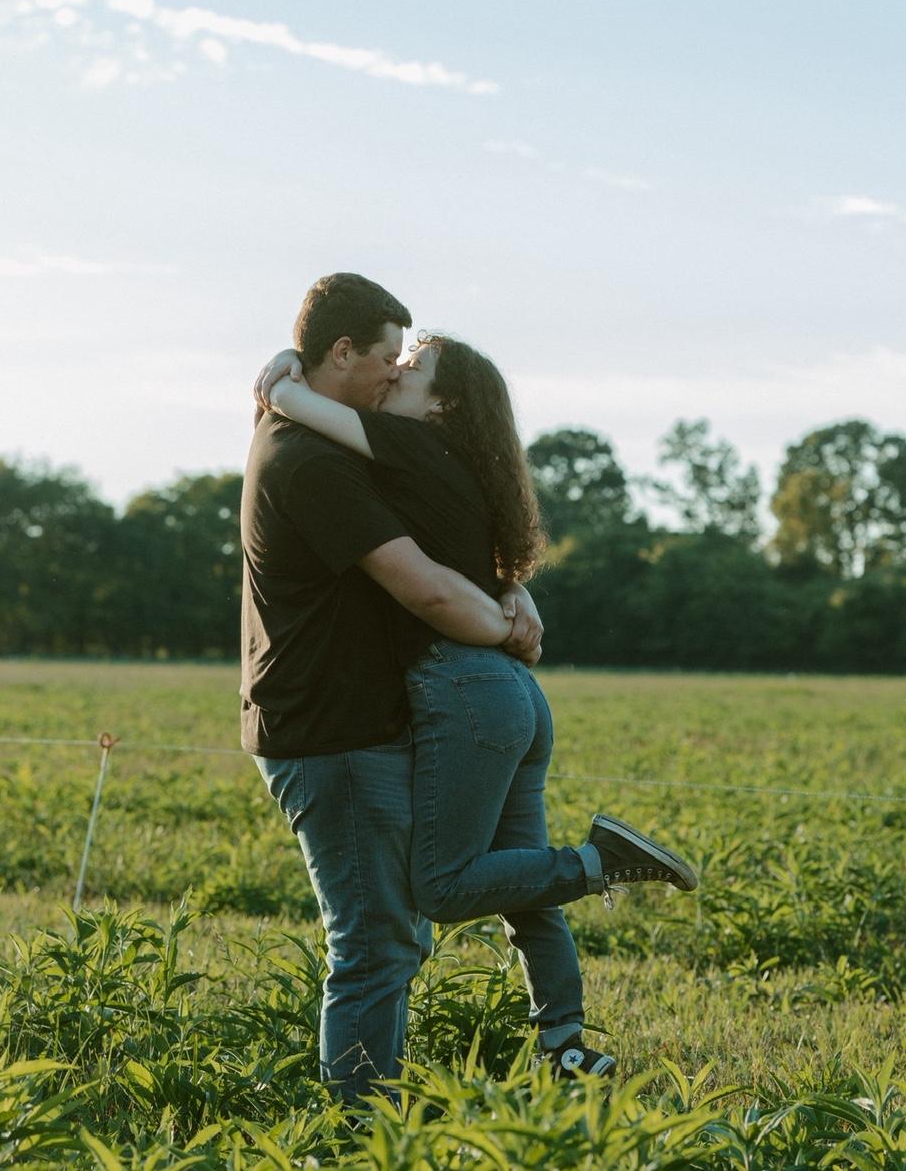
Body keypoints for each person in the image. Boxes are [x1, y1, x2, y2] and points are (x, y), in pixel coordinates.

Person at [256, 329, 698, 1081]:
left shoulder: (410, 445)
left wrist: (281, 380)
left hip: (463, 688)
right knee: (521, 884)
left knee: (443, 883)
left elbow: (304, 407)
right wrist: (512, 601)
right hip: (512, 693)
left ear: (443, 406)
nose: (394, 374)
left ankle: (602, 861)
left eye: (411, 369)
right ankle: (564, 1044)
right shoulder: (466, 468)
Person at [240, 273, 543, 1105]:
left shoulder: (330, 440)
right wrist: (508, 627)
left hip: (353, 720)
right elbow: (427, 589)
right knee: (376, 944)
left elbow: (450, 539)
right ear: (342, 353)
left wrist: (510, 586)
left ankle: (372, 1117)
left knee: (392, 937)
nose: (394, 372)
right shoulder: (309, 460)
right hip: (330, 731)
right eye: (386, 359)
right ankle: (358, 1135)